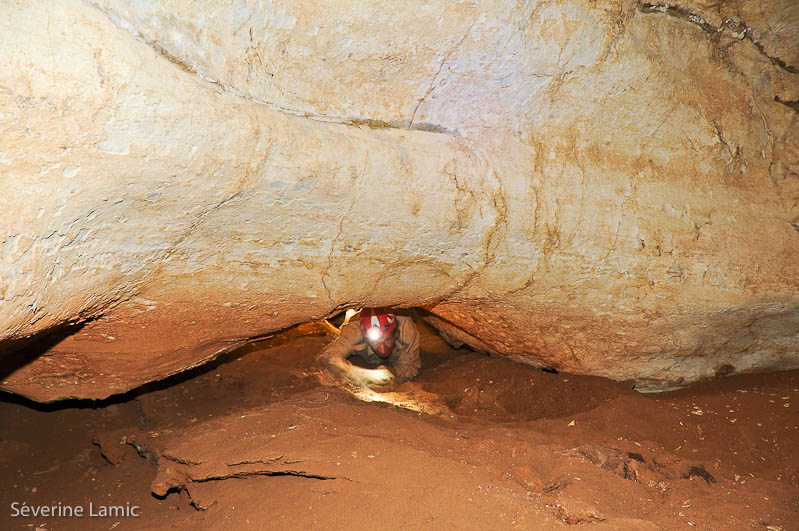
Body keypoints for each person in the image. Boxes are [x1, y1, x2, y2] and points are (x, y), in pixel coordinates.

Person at [317, 307, 420, 390]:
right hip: (355, 322)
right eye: (375, 342)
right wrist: (355, 374)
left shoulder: (407, 330)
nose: (383, 349)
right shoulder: (355, 332)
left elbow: (411, 367)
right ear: (365, 337)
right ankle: (351, 313)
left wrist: (391, 372)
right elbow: (327, 356)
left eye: (388, 340)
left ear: (396, 333)